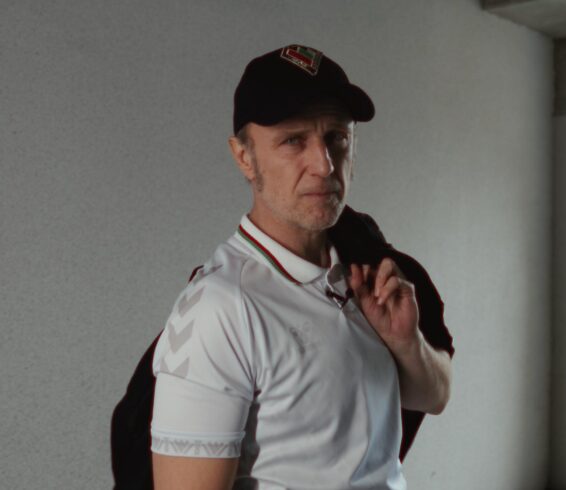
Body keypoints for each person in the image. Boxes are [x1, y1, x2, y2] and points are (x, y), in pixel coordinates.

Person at [147, 44, 453, 489]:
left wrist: (406, 345)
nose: (324, 165)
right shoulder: (220, 308)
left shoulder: (365, 272)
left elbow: (435, 397)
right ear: (244, 156)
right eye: (293, 140)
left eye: (337, 138)